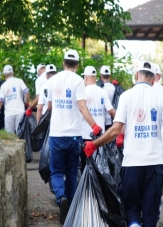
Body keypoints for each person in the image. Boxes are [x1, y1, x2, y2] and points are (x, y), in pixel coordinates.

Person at [82, 61, 163, 227]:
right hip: (154, 165)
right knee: (151, 213)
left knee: (132, 209)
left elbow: (115, 130)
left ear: (136, 76)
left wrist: (94, 144)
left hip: (132, 164)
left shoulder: (126, 96)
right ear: (154, 79)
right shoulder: (161, 97)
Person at [46, 49, 102, 225]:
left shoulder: (52, 80)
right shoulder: (79, 81)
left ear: (63, 63)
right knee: (71, 172)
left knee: (55, 171)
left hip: (56, 134)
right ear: (77, 66)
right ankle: (70, 209)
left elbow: (49, 107)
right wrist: (95, 126)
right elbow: (82, 108)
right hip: (74, 136)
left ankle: (61, 197)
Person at [81, 65, 115, 172]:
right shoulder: (102, 92)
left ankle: (86, 188)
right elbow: (111, 111)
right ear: (95, 77)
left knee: (85, 168)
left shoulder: (82, 91)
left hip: (85, 136)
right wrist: (122, 123)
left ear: (86, 78)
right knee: (99, 168)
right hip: (100, 137)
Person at [0, 65, 30, 133]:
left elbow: (0, 102)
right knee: (20, 135)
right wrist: (26, 103)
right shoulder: (19, 81)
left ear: (4, 75)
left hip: (9, 115)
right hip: (20, 112)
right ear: (12, 73)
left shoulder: (3, 86)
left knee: (10, 138)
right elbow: (26, 92)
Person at [97, 65, 118, 130]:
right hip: (111, 120)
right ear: (110, 76)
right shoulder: (115, 88)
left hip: (99, 120)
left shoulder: (98, 88)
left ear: (101, 76)